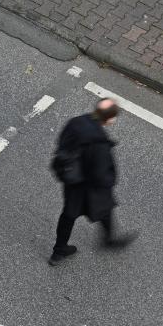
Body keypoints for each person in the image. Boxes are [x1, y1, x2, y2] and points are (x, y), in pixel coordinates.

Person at [49, 98, 137, 265]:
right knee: (105, 207)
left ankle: (59, 251)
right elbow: (101, 175)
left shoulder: (75, 122)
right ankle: (109, 240)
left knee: (69, 214)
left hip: (72, 180)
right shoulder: (99, 142)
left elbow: (62, 143)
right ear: (110, 119)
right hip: (89, 186)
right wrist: (110, 180)